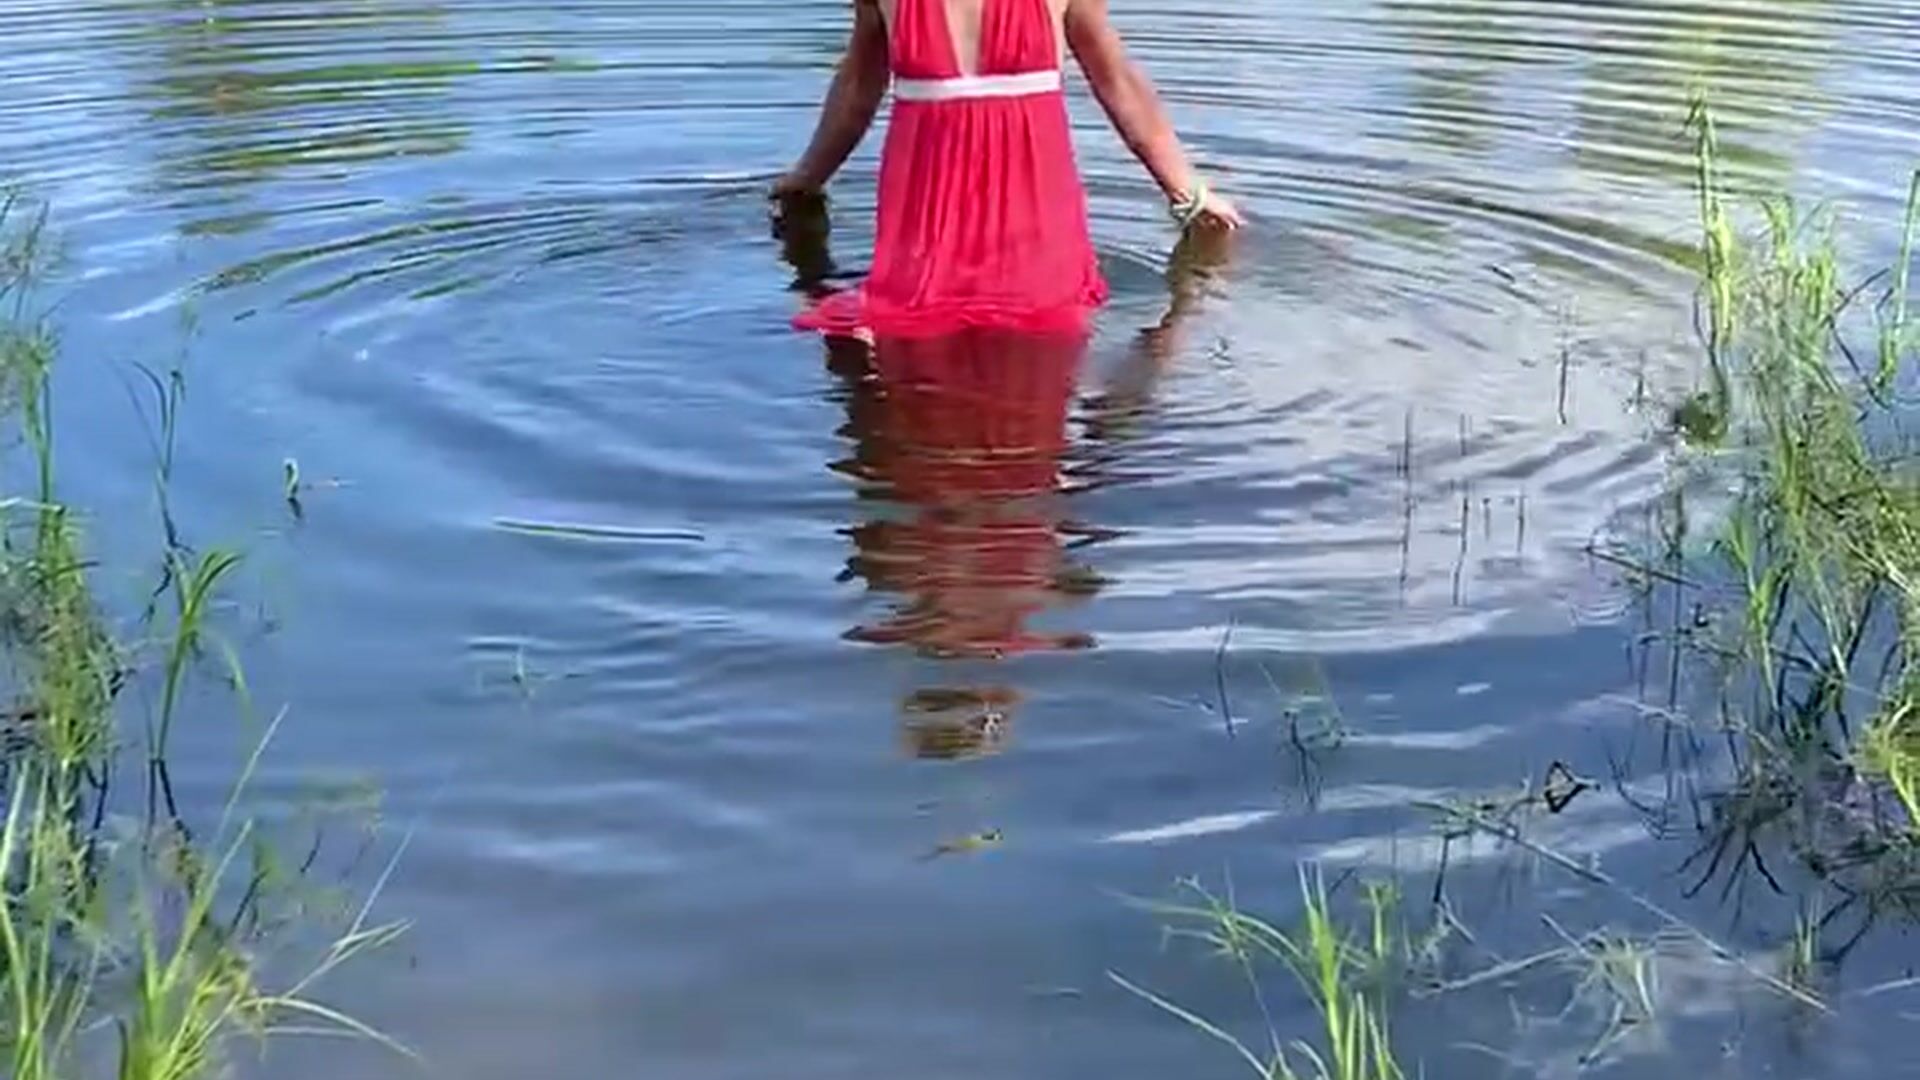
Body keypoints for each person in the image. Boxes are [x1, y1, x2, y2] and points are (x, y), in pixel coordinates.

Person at [773, 0, 1240, 340]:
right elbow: (1115, 81)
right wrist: (1188, 193)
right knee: (1033, 395)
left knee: (915, 412)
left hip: (935, 251)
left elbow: (857, 92)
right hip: (1013, 249)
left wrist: (806, 181)